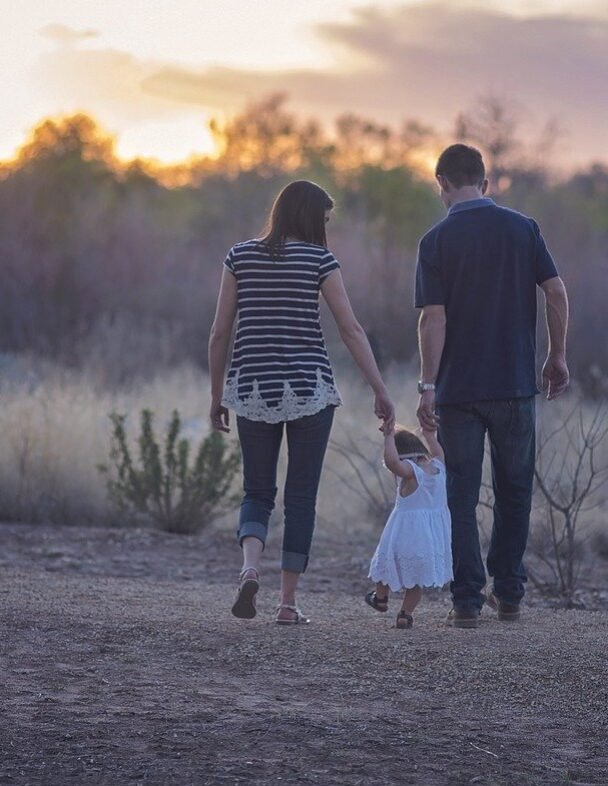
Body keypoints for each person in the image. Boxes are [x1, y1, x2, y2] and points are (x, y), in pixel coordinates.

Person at [208, 180, 395, 625]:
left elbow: (219, 333)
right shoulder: (319, 260)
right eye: (325, 219)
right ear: (311, 217)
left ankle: (250, 567)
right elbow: (351, 330)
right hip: (310, 389)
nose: (326, 228)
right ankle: (287, 604)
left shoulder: (239, 256)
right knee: (301, 498)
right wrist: (380, 388)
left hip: (252, 388)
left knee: (257, 490)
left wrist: (218, 395)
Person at [415, 143, 570, 628]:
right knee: (515, 490)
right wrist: (556, 355)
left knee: (460, 495)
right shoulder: (523, 229)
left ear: (441, 183)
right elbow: (556, 291)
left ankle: (465, 601)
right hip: (516, 385)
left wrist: (426, 385)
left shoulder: (435, 240)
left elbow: (432, 320)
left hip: (459, 391)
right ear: (485, 182)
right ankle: (509, 594)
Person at [365, 426, 452, 628]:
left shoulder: (412, 473)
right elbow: (438, 451)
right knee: (417, 580)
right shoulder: (438, 467)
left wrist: (388, 437)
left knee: (386, 564)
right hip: (429, 538)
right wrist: (430, 435)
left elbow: (392, 462)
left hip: (404, 534)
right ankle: (405, 614)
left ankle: (380, 598)